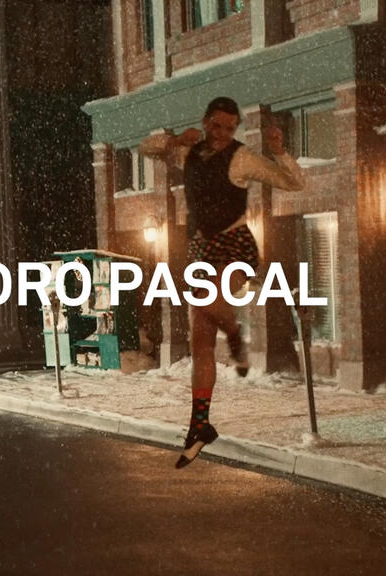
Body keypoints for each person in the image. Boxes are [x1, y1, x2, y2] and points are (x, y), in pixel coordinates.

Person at [140, 96, 305, 469]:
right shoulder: (188, 154)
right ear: (205, 122)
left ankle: (233, 334)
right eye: (216, 126)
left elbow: (293, 182)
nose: (222, 134)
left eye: (230, 128)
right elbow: (145, 148)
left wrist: (279, 152)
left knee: (207, 303)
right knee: (200, 337)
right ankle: (200, 423)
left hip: (235, 246)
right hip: (202, 249)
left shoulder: (241, 157)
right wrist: (174, 140)